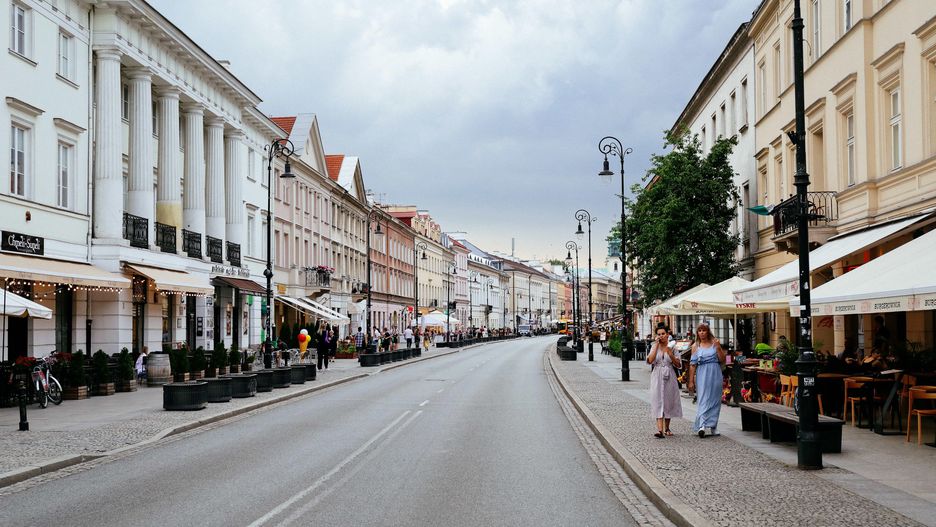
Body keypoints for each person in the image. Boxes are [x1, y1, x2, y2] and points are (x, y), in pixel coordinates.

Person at [688, 322, 726, 437]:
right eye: (700, 331)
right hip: (702, 373)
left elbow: (722, 360)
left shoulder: (715, 343)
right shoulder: (696, 346)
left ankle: (713, 426)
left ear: (708, 332)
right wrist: (691, 381)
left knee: (715, 400)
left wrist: (718, 348)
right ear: (697, 333)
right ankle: (702, 425)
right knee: (703, 398)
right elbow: (692, 365)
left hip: (715, 373)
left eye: (704, 330)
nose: (702, 333)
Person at [648, 324, 682, 438]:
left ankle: (667, 428)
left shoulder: (673, 347)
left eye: (663, 334)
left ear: (667, 334)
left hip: (669, 374)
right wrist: (656, 345)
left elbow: (678, 364)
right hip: (657, 374)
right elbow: (650, 360)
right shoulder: (654, 346)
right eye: (659, 334)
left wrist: (670, 354)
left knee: (668, 400)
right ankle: (659, 430)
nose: (661, 336)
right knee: (657, 400)